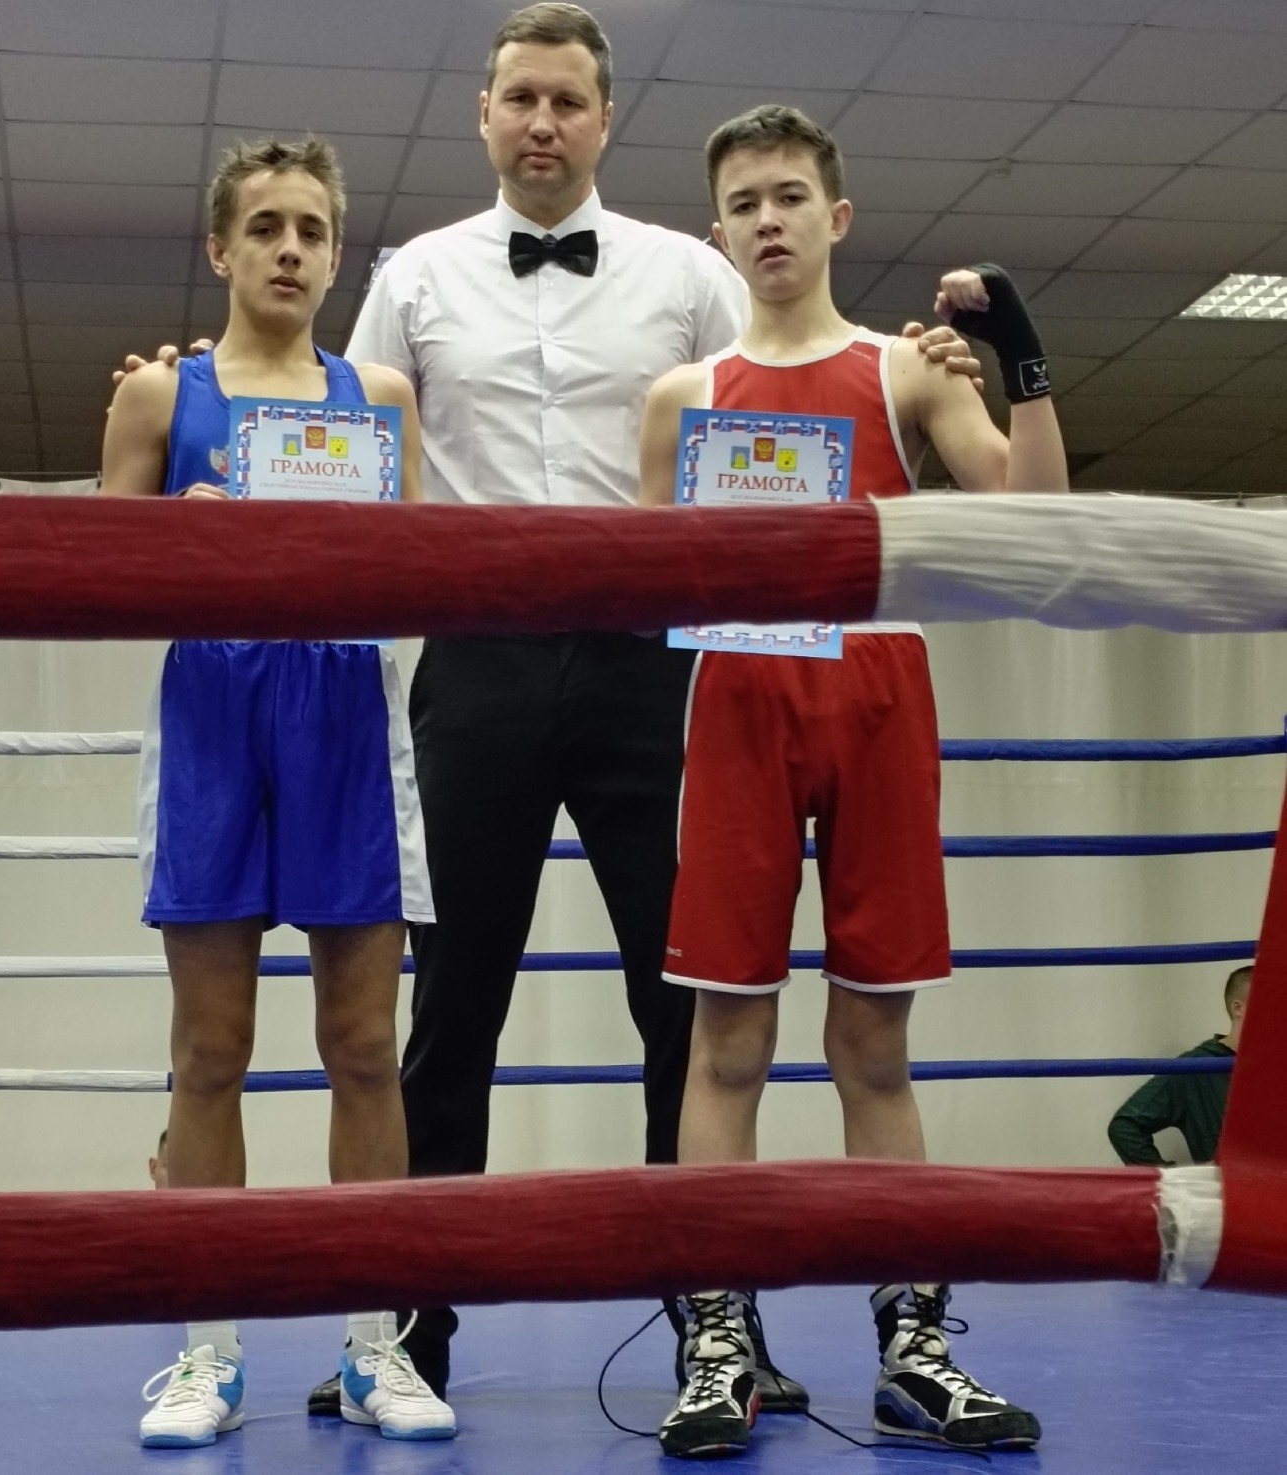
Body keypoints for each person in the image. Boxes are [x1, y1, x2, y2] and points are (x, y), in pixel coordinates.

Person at [333, 2, 983, 1412]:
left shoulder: (691, 272)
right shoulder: (416, 274)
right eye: (521, 97)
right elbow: (361, 437)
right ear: (484, 114)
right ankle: (409, 1329)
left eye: (567, 99)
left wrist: (925, 377)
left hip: (662, 662)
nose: (543, 122)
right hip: (479, 655)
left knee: (687, 997)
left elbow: (781, 399)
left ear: (604, 119)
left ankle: (710, 1321)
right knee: (452, 1000)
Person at [637, 104, 1068, 1459]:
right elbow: (647, 583)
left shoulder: (905, 370)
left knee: (874, 1042)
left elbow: (1035, 521)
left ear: (836, 217)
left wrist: (1023, 361)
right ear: (718, 232)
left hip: (878, 685)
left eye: (788, 195)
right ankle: (719, 1339)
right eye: (744, 202)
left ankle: (914, 1345)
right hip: (740, 692)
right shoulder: (681, 397)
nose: (767, 219)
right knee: (726, 1040)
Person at [102, 135, 455, 1448]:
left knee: (363, 1043)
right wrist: (176, 539)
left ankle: (374, 1344)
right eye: (266, 227)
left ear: (337, 253)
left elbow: (420, 580)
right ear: (221, 247)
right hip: (212, 708)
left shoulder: (381, 396)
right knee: (210, 1050)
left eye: (312, 229)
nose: (291, 249)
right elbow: (93, 586)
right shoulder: (160, 395)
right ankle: (208, 1347)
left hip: (345, 706)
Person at [1109, 965, 1250, 1165]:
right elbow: (1125, 1127)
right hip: (1229, 1184)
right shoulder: (1197, 1068)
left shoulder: (1275, 1064)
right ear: (1238, 1008)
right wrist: (1174, 1179)